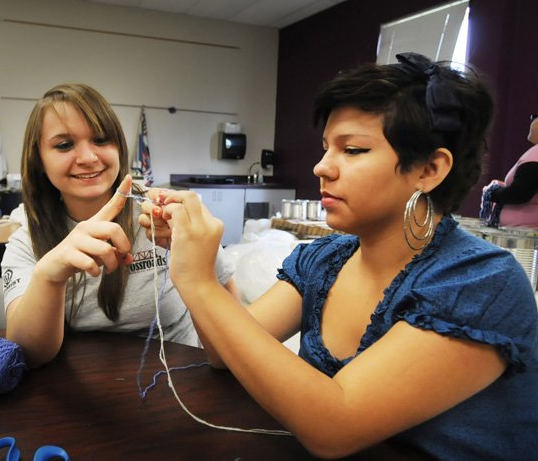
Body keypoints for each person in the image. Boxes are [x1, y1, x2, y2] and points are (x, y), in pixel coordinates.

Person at [143, 53, 538, 460]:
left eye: (352, 150)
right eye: (326, 148)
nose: (320, 167)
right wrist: (194, 258)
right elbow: (225, 355)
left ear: (429, 169)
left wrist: (200, 282)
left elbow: (334, 428)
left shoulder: (477, 283)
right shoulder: (326, 259)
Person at [2, 83, 239, 368]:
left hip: (181, 376)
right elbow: (27, 352)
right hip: (79, 387)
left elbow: (234, 326)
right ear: (38, 159)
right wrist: (49, 277)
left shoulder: (164, 214)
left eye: (101, 140)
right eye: (64, 145)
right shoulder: (28, 235)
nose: (89, 158)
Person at [482, 112, 538, 227]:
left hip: (524, 236)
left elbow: (519, 193)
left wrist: (491, 193)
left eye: (535, 117)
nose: (532, 121)